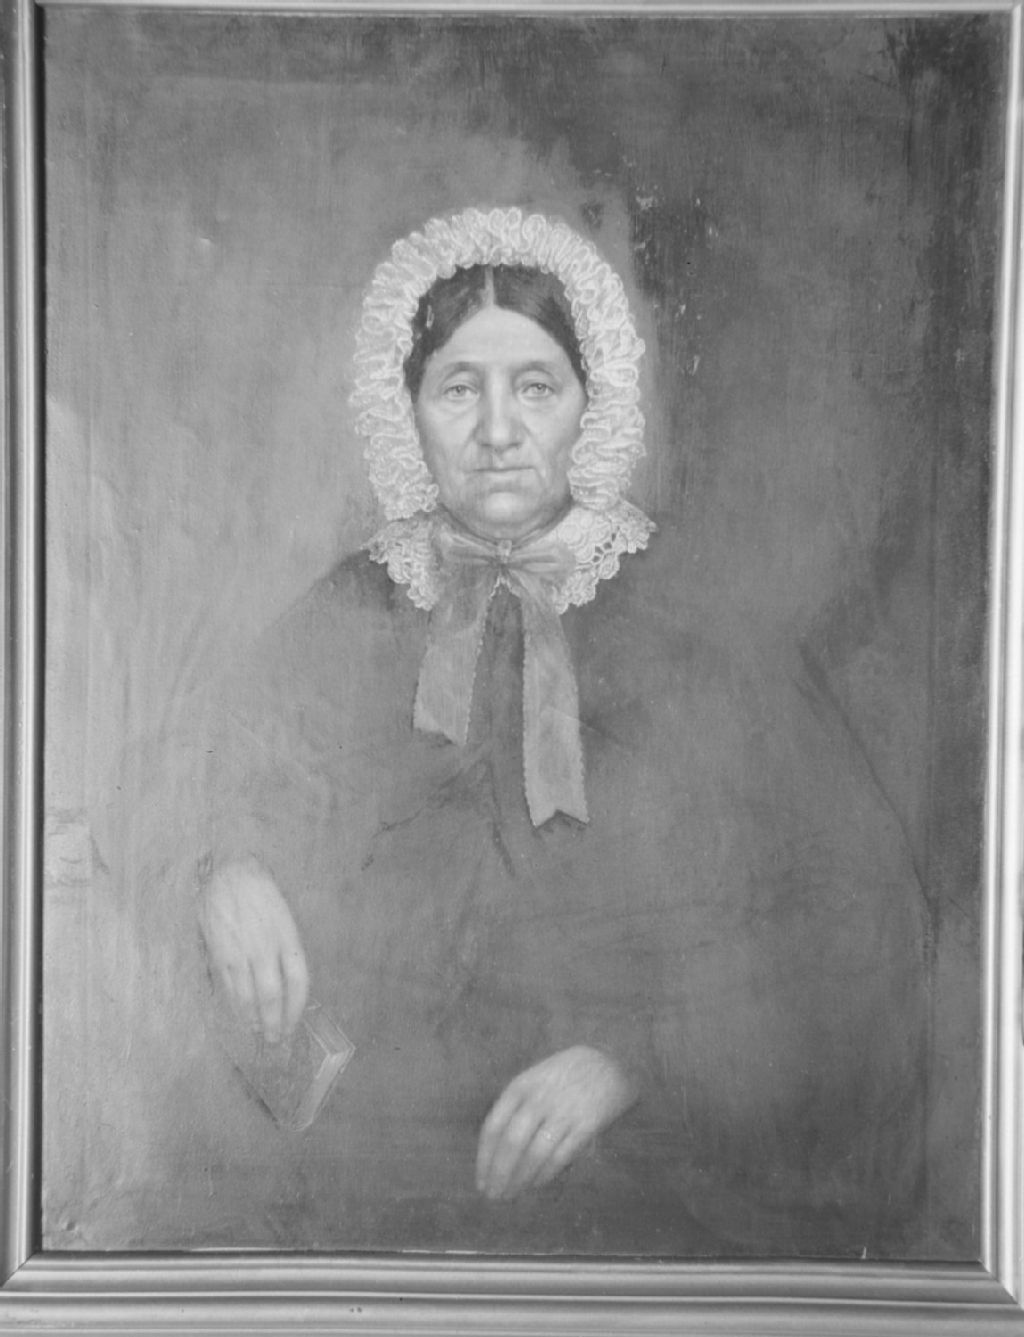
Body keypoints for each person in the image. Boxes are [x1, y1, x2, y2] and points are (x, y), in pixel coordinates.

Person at [196, 207, 928, 1256]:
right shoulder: (357, 605)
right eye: (460, 388)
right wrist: (225, 866)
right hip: (377, 1182)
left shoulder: (696, 624)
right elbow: (193, 774)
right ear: (407, 408)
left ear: (594, 402)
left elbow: (851, 923)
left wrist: (631, 1061)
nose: (499, 430)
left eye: (535, 386)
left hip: (648, 1189)